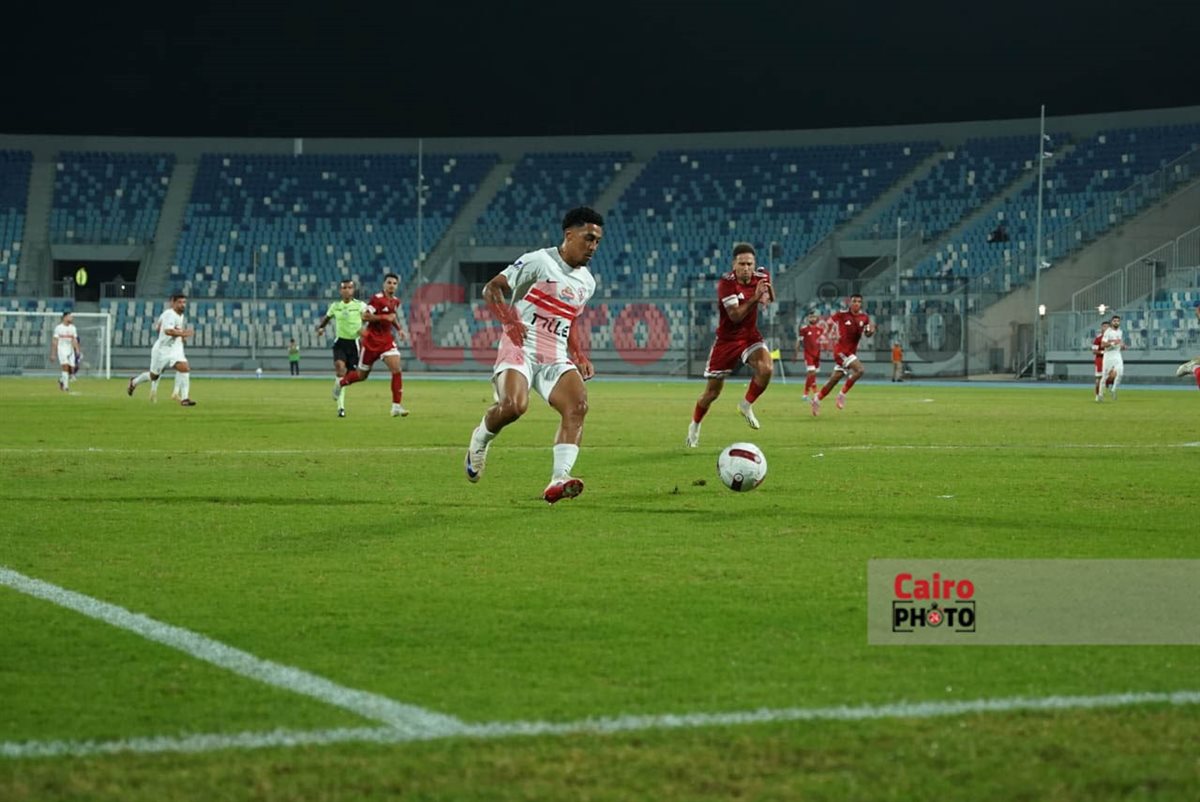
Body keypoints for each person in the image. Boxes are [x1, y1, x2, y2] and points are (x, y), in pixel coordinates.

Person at [464, 207, 603, 504]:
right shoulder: (538, 261)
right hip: (520, 347)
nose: (593, 246)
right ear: (569, 235)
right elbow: (492, 289)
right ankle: (481, 437)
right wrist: (509, 321)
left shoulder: (587, 282)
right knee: (514, 407)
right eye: (588, 238)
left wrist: (578, 353)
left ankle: (559, 479)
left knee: (578, 406)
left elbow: (571, 319)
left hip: (554, 354)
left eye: (597, 241)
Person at [685, 243, 775, 448]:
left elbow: (769, 299)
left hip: (750, 336)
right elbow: (735, 316)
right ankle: (695, 425)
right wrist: (755, 296)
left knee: (767, 368)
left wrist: (767, 291)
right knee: (712, 394)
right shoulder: (726, 284)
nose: (746, 268)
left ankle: (746, 405)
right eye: (741, 263)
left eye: (749, 264)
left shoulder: (760, 277)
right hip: (727, 340)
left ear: (754, 264)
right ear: (734, 264)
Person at [333, 273, 407, 417]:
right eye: (389, 283)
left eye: (394, 283)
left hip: (386, 341)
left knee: (397, 369)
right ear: (384, 285)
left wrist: (400, 329)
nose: (391, 285)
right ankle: (341, 383)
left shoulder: (396, 301)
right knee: (361, 376)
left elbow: (392, 316)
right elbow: (365, 316)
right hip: (371, 342)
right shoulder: (377, 300)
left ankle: (396, 406)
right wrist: (383, 317)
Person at [811, 294, 875, 416]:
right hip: (841, 351)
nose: (856, 303)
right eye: (854, 301)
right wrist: (830, 334)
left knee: (834, 380)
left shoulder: (864, 318)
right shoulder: (842, 314)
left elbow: (867, 333)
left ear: (861, 304)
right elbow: (828, 323)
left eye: (859, 301)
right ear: (850, 302)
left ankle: (817, 399)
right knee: (860, 370)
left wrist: (870, 332)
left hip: (851, 352)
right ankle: (842, 394)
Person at [127, 293, 196, 406]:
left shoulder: (179, 315)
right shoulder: (170, 314)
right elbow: (167, 331)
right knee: (153, 376)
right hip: (161, 351)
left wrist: (180, 335)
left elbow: (158, 327)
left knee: (185, 368)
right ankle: (134, 382)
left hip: (173, 349)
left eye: (184, 302)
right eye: (179, 302)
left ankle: (185, 399)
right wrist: (182, 333)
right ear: (172, 303)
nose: (182, 305)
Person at [316, 279, 367, 417]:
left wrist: (366, 325)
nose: (346, 290)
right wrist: (321, 328)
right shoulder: (335, 306)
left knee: (352, 375)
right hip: (340, 343)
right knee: (340, 369)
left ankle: (338, 386)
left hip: (354, 344)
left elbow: (367, 316)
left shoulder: (360, 305)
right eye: (344, 288)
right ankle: (341, 408)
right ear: (340, 290)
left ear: (353, 290)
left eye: (349, 288)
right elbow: (326, 319)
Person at [795, 310, 823, 402]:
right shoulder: (804, 329)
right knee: (812, 372)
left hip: (817, 355)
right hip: (808, 354)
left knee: (811, 375)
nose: (812, 318)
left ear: (817, 318)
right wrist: (796, 352)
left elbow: (822, 342)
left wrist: (826, 350)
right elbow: (799, 341)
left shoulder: (820, 330)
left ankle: (806, 394)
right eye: (811, 317)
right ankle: (814, 393)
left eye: (814, 317)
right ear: (808, 318)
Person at [50, 311, 80, 392]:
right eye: (70, 316)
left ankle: (61, 380)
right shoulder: (58, 328)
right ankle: (66, 387)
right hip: (62, 349)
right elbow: (55, 341)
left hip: (70, 350)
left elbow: (74, 340)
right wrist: (53, 354)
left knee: (72, 369)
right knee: (65, 367)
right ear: (65, 317)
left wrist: (77, 350)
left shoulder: (73, 328)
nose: (72, 318)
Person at [1099, 313, 1126, 400]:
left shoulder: (1120, 331)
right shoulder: (1108, 332)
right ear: (1111, 322)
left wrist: (1123, 346)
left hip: (1117, 354)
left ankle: (1113, 390)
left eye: (1118, 321)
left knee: (1120, 373)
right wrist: (1112, 343)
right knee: (1105, 375)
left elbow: (1120, 342)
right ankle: (1101, 394)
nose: (1116, 322)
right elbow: (1102, 344)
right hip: (1108, 355)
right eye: (1114, 321)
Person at [1091, 320, 1112, 401]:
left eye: (1107, 326)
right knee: (1098, 379)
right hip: (1100, 360)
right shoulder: (1098, 338)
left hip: (1110, 361)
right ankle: (1098, 395)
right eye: (1104, 326)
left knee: (1109, 378)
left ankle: (1102, 392)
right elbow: (1094, 351)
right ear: (1101, 328)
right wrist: (1103, 352)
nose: (1105, 328)